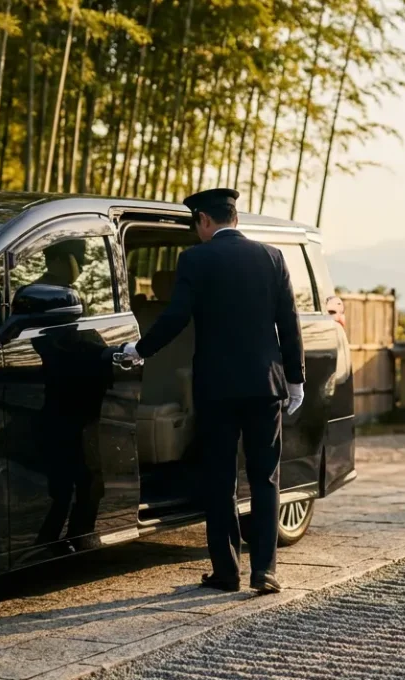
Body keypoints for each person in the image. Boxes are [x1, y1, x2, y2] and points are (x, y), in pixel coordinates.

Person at [120, 188, 305, 594]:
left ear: (204, 220)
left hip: (217, 388)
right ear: (234, 218)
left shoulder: (196, 259)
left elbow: (175, 316)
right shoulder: (273, 257)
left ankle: (226, 573)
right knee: (265, 478)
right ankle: (265, 571)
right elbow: (289, 324)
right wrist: (295, 380)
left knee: (220, 479)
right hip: (264, 385)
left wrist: (139, 349)